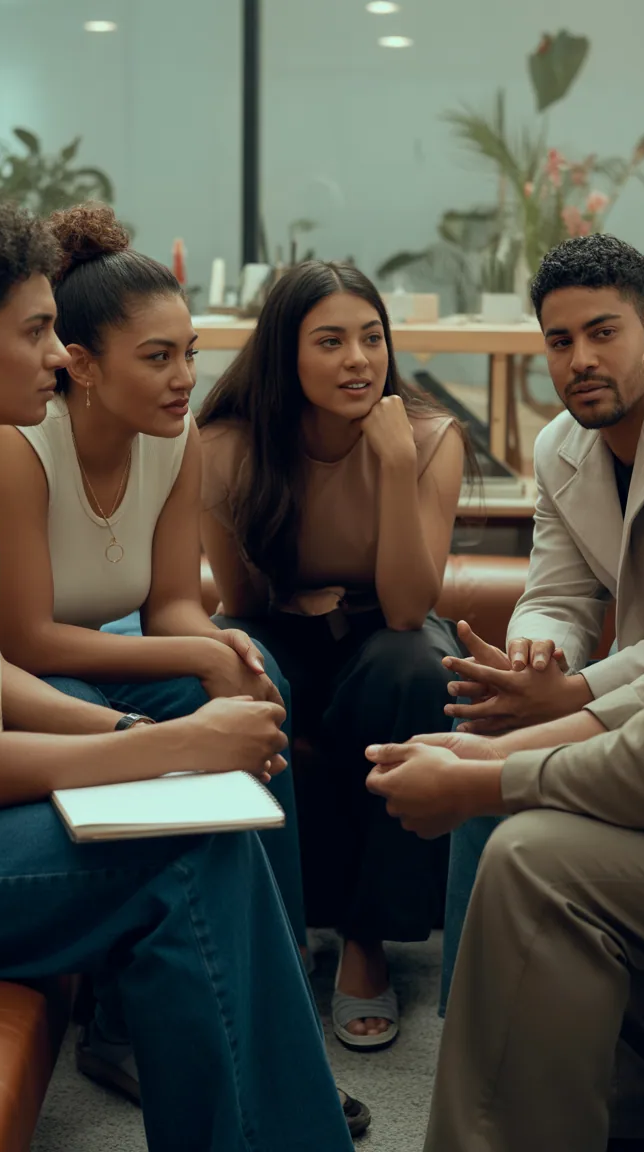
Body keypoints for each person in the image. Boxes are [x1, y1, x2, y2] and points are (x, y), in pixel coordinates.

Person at [0, 190, 358, 1152]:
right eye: (34, 334)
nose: (53, 356)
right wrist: (173, 747)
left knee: (205, 818)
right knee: (186, 845)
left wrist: (148, 740)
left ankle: (276, 1082)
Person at [366, 190, 644, 1152]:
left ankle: (550, 1103)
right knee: (521, 813)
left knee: (531, 849)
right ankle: (591, 1103)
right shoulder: (588, 449)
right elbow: (578, 606)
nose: (605, 358)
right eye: (560, 341)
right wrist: (536, 678)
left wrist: (492, 771)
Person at [440, 234, 644, 1010]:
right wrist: (539, 655)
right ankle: (479, 1025)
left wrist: (577, 692)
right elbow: (559, 593)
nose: (580, 360)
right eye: (560, 340)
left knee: (497, 779)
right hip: (625, 698)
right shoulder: (558, 446)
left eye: (603, 333)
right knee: (484, 754)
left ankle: (515, 1047)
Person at [197, 260, 468, 1050]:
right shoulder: (226, 445)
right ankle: (266, 935)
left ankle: (365, 939)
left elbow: (412, 607)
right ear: (286, 354)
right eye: (331, 341)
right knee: (242, 671)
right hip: (283, 625)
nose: (359, 358)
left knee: (413, 666)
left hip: (385, 633)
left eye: (372, 337)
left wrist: (389, 464)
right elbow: (242, 605)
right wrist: (289, 597)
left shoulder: (426, 437)